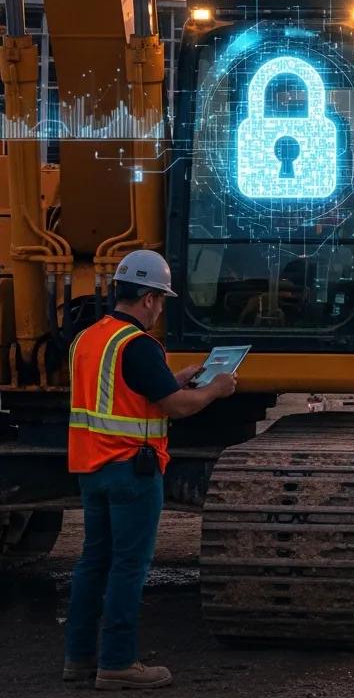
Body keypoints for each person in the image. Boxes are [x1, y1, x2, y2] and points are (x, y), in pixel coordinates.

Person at [64, 250, 238, 690]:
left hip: (92, 466)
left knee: (93, 563)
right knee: (128, 567)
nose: (160, 309)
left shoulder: (89, 339)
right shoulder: (138, 345)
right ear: (147, 298)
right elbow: (176, 408)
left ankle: (79, 659)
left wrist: (171, 376)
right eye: (160, 300)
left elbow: (124, 390)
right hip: (132, 470)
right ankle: (118, 663)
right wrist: (215, 389)